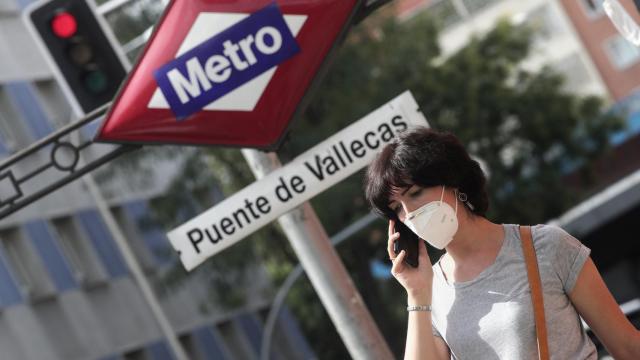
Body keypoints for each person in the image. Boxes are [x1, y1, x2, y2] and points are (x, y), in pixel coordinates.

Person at [364, 127, 640, 359]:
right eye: (397, 208)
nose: (409, 213)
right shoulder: (430, 290)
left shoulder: (544, 246)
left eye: (415, 193)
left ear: (452, 181)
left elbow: (626, 346)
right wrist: (416, 295)